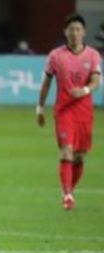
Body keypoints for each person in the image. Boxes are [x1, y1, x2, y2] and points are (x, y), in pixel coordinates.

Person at [37, 14, 102, 210]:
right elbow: (46, 83)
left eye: (78, 29)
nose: (74, 33)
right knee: (67, 151)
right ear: (65, 32)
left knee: (80, 156)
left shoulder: (93, 55)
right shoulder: (56, 56)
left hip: (84, 112)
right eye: (71, 29)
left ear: (84, 32)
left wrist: (83, 90)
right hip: (64, 112)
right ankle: (66, 195)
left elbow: (96, 81)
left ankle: (70, 191)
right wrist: (39, 108)